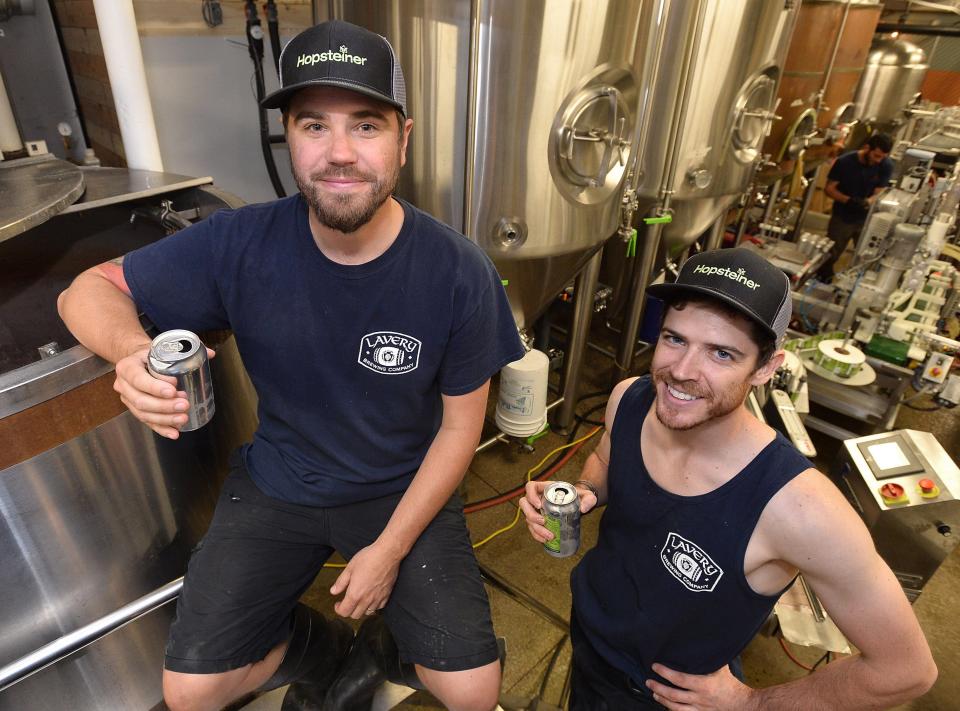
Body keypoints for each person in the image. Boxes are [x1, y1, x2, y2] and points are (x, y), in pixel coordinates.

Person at [58, 19, 523, 711]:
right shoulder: (241, 241)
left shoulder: (457, 271)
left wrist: (390, 550)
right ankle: (323, 649)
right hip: (279, 479)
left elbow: (460, 430)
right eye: (314, 126)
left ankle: (395, 645)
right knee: (190, 692)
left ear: (404, 137)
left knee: (474, 689)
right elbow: (85, 290)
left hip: (401, 486)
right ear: (290, 138)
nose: (339, 153)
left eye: (365, 125)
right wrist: (132, 353)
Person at [520, 248, 937, 710]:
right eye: (675, 339)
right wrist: (584, 493)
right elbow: (605, 461)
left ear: (765, 368)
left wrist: (752, 703)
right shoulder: (630, 399)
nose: (681, 371)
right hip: (590, 639)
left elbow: (906, 670)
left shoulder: (799, 507)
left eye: (721, 353)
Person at [817, 133, 894, 279]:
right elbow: (829, 188)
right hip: (843, 216)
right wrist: (848, 200)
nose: (879, 160)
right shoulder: (845, 162)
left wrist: (868, 202)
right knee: (831, 253)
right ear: (867, 148)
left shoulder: (886, 165)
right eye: (876, 156)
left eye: (883, 156)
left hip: (867, 219)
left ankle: (858, 281)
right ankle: (822, 278)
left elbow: (880, 191)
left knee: (868, 255)